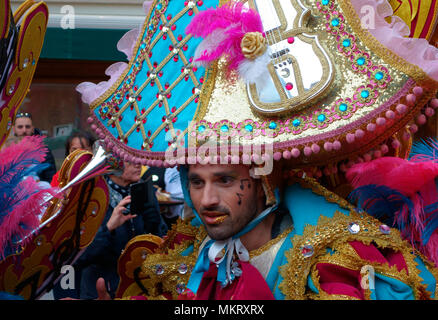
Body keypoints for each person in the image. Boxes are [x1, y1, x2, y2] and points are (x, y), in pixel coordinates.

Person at [76, 0, 438, 300]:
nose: (207, 200)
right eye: (196, 183)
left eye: (225, 180)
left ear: (265, 180)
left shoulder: (333, 268)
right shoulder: (188, 258)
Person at [75, 160, 168, 299]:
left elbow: (161, 245)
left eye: (138, 158)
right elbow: (78, 258)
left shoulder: (144, 190)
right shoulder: (93, 196)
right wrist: (109, 228)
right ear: (112, 163)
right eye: (129, 160)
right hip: (100, 290)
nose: (138, 164)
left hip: (139, 289)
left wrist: (153, 223)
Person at [13, 111, 56, 183]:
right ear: (14, 129)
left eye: (28, 127)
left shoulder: (44, 151)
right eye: (20, 127)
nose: (24, 130)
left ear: (32, 129)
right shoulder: (7, 149)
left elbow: (51, 179)